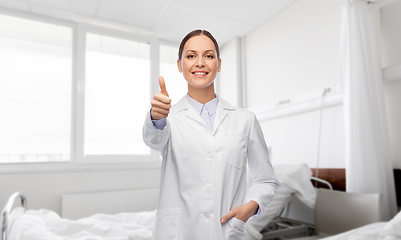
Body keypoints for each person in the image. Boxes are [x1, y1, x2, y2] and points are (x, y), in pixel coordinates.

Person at [143, 29, 280, 240]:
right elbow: (154, 139)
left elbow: (267, 180)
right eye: (191, 56)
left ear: (219, 63)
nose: (200, 63)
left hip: (226, 231)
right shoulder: (169, 119)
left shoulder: (245, 120)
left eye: (208, 55)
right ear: (180, 65)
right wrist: (156, 117)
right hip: (179, 233)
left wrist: (251, 207)